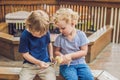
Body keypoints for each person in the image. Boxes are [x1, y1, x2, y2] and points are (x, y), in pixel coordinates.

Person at [52, 8, 94, 80]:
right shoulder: (60, 38)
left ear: (72, 24)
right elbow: (56, 51)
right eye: (59, 29)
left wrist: (70, 56)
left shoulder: (81, 35)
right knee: (72, 78)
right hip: (66, 65)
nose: (60, 31)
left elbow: (84, 51)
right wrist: (62, 57)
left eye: (63, 28)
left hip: (81, 64)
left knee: (88, 77)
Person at [19, 10, 56, 80]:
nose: (41, 35)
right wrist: (38, 62)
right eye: (38, 34)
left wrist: (51, 56)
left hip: (45, 64)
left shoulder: (45, 31)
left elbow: (49, 43)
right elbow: (25, 54)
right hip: (29, 66)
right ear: (30, 27)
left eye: (43, 33)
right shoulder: (24, 35)